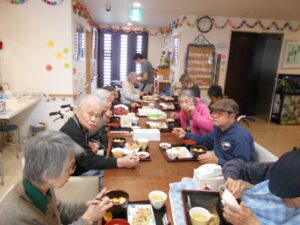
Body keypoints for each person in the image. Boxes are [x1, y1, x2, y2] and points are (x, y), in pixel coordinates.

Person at [0, 131, 113, 225]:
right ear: (47, 174)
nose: (71, 172)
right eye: (70, 168)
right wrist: (87, 219)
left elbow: (60, 212)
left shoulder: (42, 186)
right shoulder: (17, 218)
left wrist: (89, 205)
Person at [60, 95, 139, 177]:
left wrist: (87, 143)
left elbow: (84, 155)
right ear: (78, 110)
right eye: (90, 114)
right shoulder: (72, 131)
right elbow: (89, 161)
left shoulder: (77, 124)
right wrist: (121, 162)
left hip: (83, 168)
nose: (94, 119)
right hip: (74, 178)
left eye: (97, 116)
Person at [222, 148, 300, 225]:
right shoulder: (283, 168)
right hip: (235, 207)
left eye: (290, 196)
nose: (283, 198)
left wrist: (252, 223)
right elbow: (237, 165)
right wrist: (232, 179)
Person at [173, 98, 256, 166]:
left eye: (219, 113)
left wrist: (218, 161)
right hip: (219, 166)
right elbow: (205, 140)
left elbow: (243, 166)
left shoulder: (240, 136)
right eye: (214, 112)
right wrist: (185, 134)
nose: (214, 116)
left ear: (232, 116)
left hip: (234, 178)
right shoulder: (218, 128)